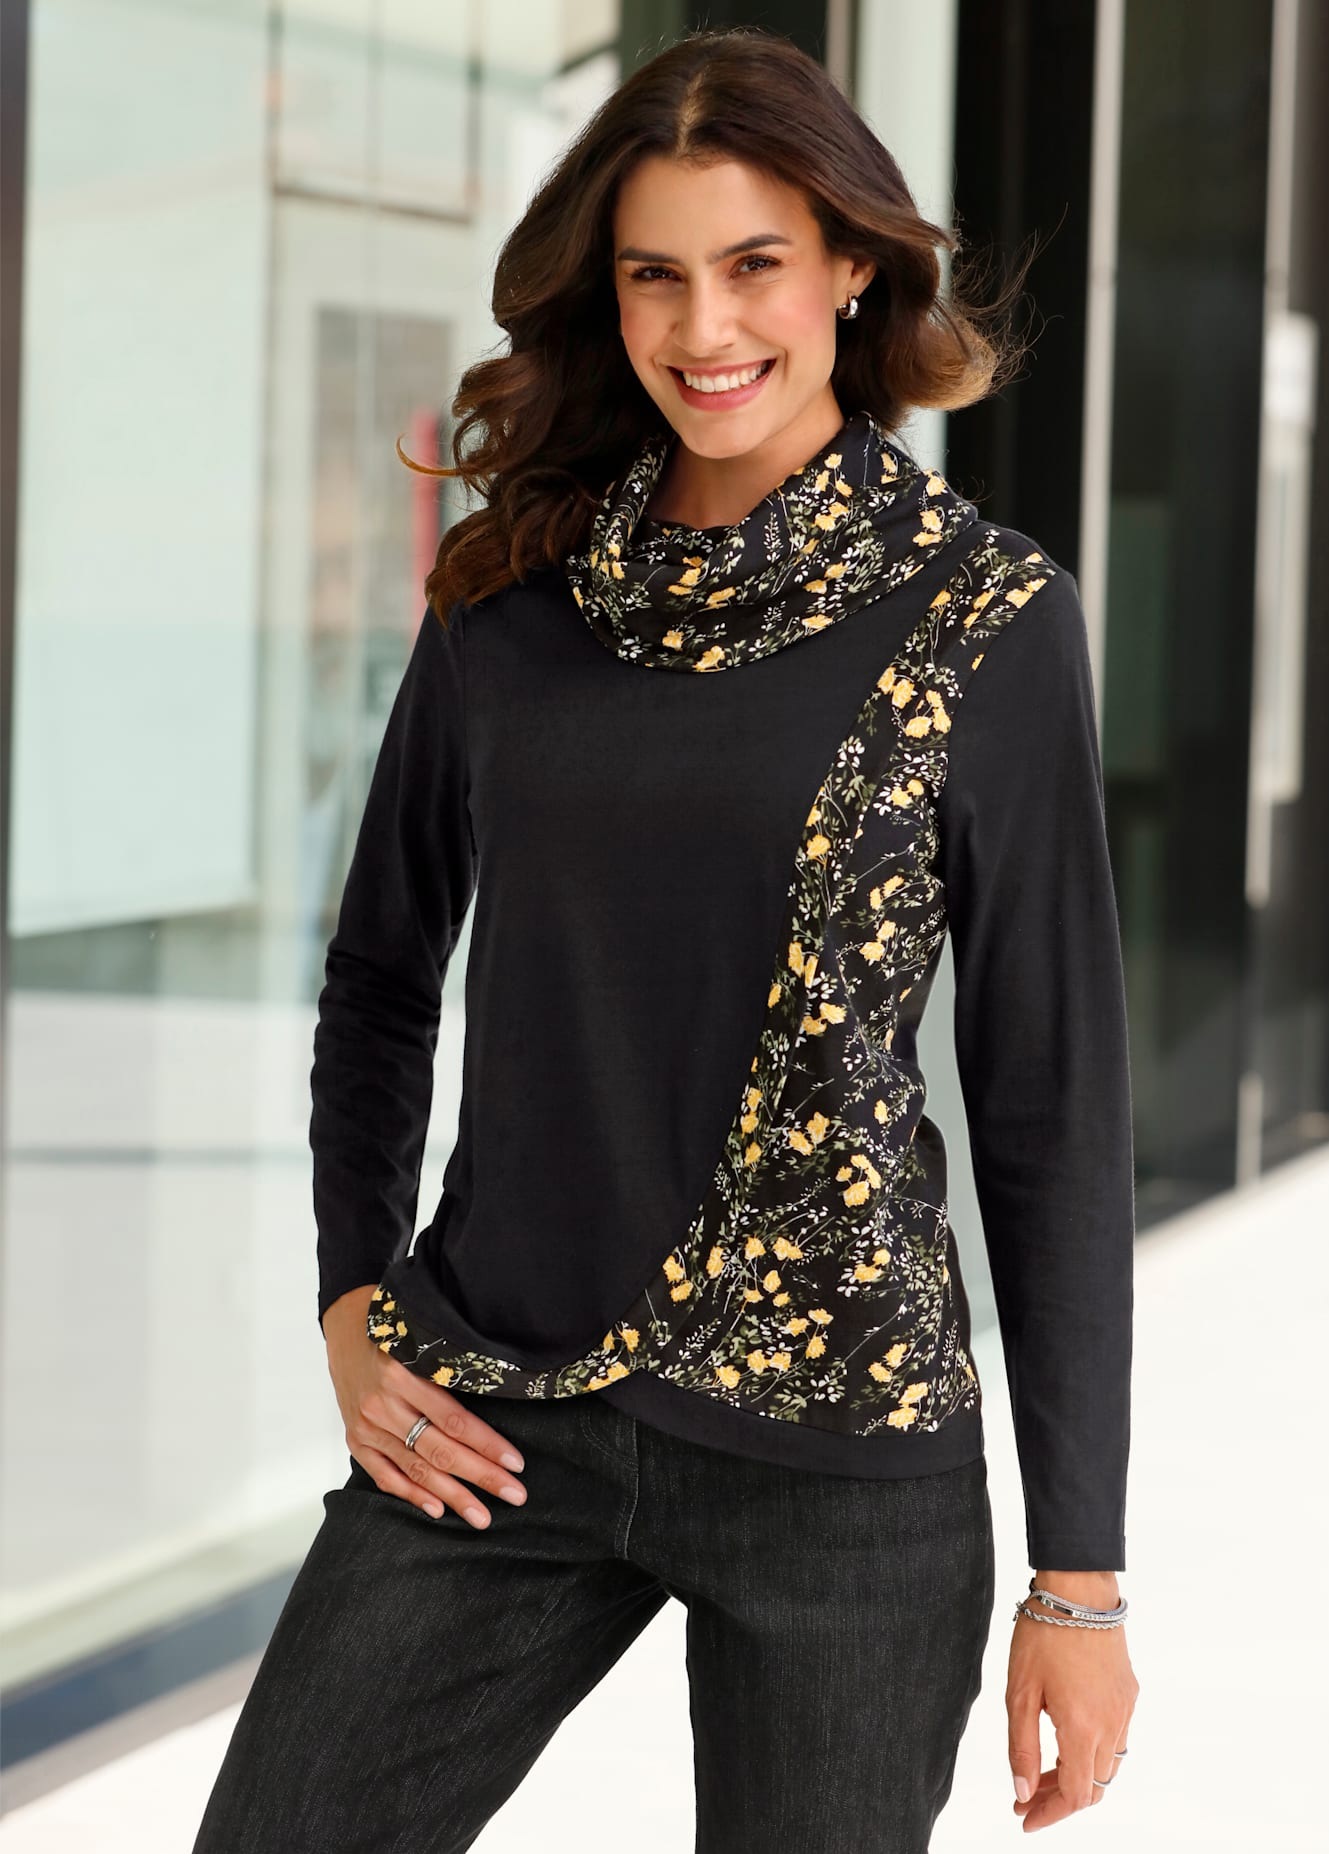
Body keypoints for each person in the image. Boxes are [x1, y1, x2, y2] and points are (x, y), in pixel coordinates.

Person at [194, 25, 1139, 1852]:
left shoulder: (985, 618)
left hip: (840, 1461)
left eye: (753, 264)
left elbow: (1050, 1108)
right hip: (497, 1417)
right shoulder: (509, 589)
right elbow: (381, 974)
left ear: (851, 266)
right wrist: (353, 1301)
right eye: (653, 275)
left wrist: (1078, 1581)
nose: (704, 327)